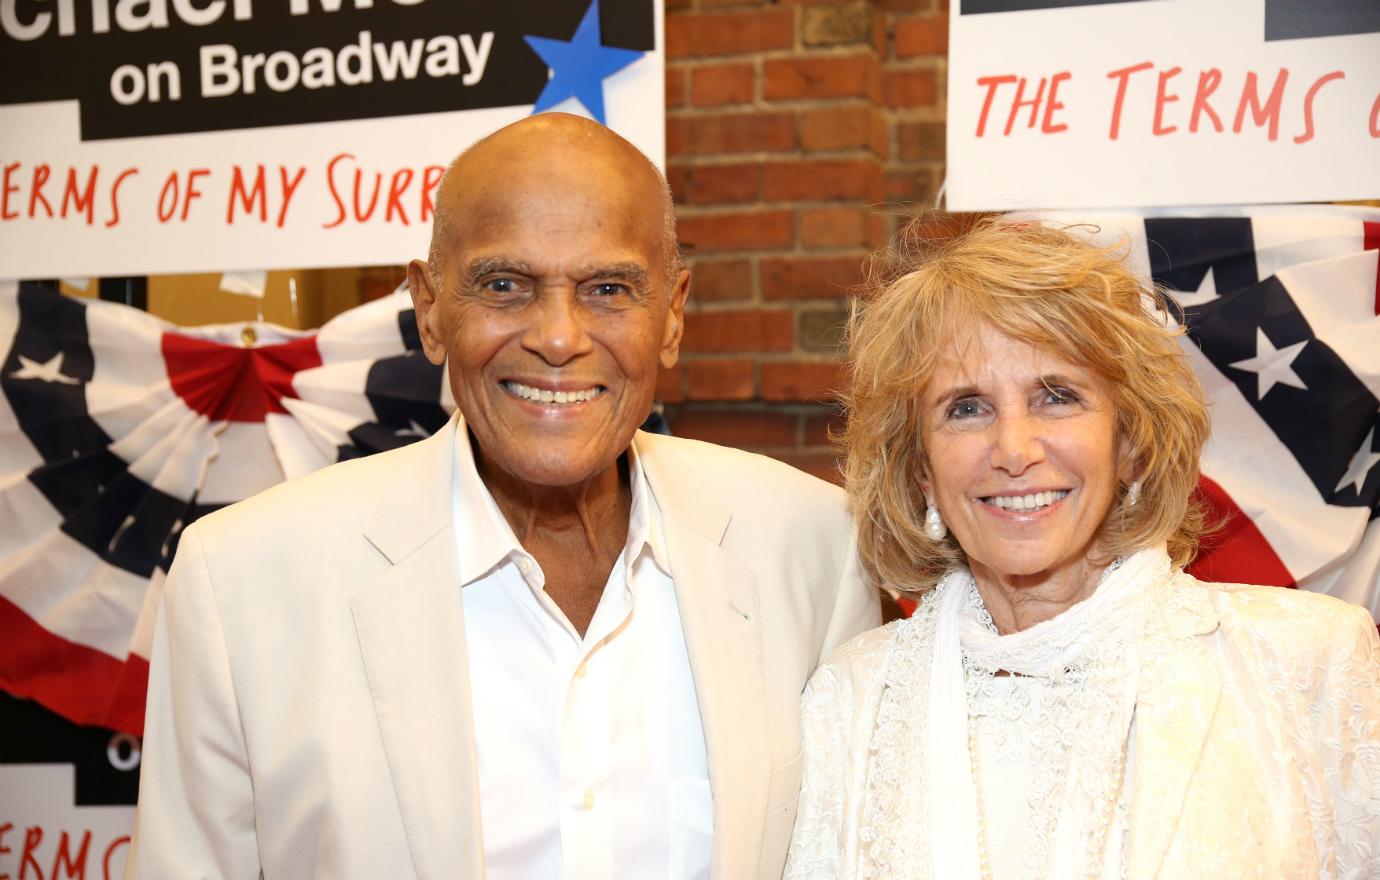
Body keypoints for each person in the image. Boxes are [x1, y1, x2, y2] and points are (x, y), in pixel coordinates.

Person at [125, 113, 879, 879]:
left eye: (609, 288)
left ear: (673, 315)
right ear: (429, 311)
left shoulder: (812, 548)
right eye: (505, 286)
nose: (558, 337)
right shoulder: (241, 582)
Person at [783, 218, 1380, 879]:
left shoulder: (1310, 662)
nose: (1014, 450)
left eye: (1057, 397)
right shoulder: (850, 697)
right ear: (922, 467)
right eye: (966, 408)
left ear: (1129, 443)